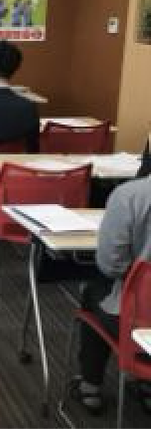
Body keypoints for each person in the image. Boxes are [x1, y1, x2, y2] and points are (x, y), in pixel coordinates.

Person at [70, 170, 151, 415]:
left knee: (94, 292)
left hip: (138, 324)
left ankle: (90, 387)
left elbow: (111, 265)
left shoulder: (130, 196)